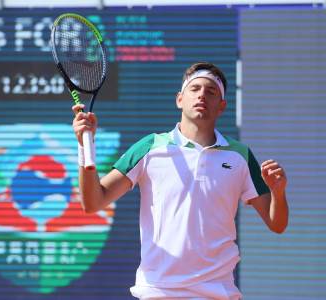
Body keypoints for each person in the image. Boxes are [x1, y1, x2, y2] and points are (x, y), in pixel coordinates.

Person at [72, 62, 289, 300]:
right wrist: (85, 146)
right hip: (158, 292)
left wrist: (278, 193)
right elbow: (93, 202)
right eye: (194, 89)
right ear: (179, 100)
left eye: (211, 91)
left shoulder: (240, 156)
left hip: (217, 293)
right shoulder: (149, 147)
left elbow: (276, 223)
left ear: (222, 106)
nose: (202, 95)